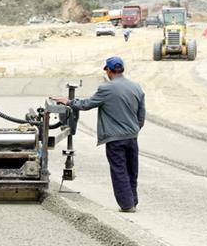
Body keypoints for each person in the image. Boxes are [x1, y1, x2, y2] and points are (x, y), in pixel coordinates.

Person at [51, 56, 145, 212]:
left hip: (115, 139)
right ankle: (133, 201)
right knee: (131, 170)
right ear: (122, 69)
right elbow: (141, 116)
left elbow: (86, 104)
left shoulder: (106, 89)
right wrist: (134, 129)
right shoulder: (136, 87)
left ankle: (127, 205)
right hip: (132, 137)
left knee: (119, 170)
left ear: (108, 70)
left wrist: (68, 102)